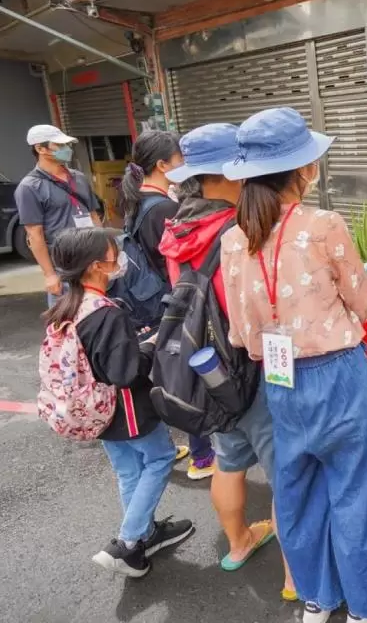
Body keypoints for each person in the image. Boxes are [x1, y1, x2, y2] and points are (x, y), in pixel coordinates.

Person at [220, 107, 367, 623]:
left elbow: (240, 331)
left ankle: (317, 598)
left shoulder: (233, 239)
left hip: (279, 380)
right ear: (302, 169)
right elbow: (365, 303)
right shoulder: (323, 225)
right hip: (339, 374)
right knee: (357, 492)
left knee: (298, 493)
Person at [159, 123, 298, 596]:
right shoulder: (235, 231)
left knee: (229, 460)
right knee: (287, 473)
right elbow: (253, 309)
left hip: (204, 369)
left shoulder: (178, 227)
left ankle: (239, 543)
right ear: (230, 171)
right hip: (247, 367)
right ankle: (294, 577)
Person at [46, 227, 194, 577]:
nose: (120, 261)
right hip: (126, 407)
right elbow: (125, 372)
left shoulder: (67, 306)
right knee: (160, 458)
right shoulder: (106, 313)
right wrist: (150, 344)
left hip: (94, 411)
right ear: (97, 265)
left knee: (128, 470)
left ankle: (145, 533)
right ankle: (127, 543)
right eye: (115, 255)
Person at [121, 130, 217, 481]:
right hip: (171, 302)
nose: (185, 164)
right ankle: (202, 456)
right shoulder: (164, 207)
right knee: (189, 376)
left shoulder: (138, 200)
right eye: (180, 158)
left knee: (168, 371)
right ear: (163, 165)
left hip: (150, 301)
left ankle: (168, 445)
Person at [14, 124, 102, 306]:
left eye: (66, 145)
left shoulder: (79, 178)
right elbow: (34, 235)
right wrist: (50, 275)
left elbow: (94, 216)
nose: (66, 150)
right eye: (59, 146)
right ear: (40, 149)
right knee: (67, 320)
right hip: (65, 265)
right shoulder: (29, 187)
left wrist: (104, 249)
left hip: (92, 257)